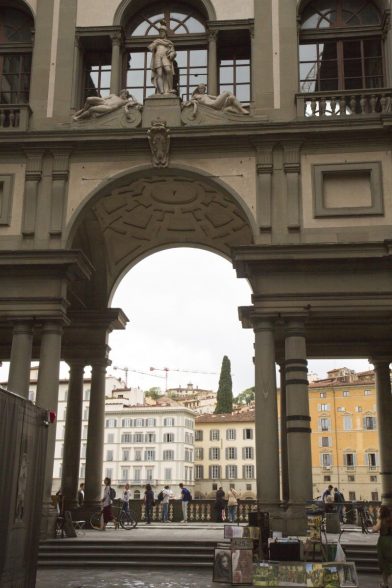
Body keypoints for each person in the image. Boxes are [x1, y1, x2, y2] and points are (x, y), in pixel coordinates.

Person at [148, 20, 176, 95]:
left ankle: (170, 89)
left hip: (165, 57)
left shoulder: (169, 43)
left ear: (165, 33)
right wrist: (155, 44)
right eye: (160, 32)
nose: (161, 33)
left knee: (168, 70)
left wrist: (172, 54)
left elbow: (173, 51)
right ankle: (161, 91)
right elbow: (150, 48)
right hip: (157, 56)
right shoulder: (156, 41)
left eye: (162, 32)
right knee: (159, 74)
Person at [73, 89, 138, 121]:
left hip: (108, 107)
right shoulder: (113, 95)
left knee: (92, 109)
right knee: (89, 99)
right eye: (124, 93)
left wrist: (132, 95)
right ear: (121, 93)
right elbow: (103, 98)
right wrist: (96, 102)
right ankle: (84, 111)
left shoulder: (125, 101)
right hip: (103, 102)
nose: (125, 95)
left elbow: (135, 102)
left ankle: (78, 118)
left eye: (126, 94)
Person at [373, 505, 392, 588]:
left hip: (384, 542)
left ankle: (385, 584)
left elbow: (375, 529)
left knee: (384, 563)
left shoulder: (381, 519)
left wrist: (373, 527)